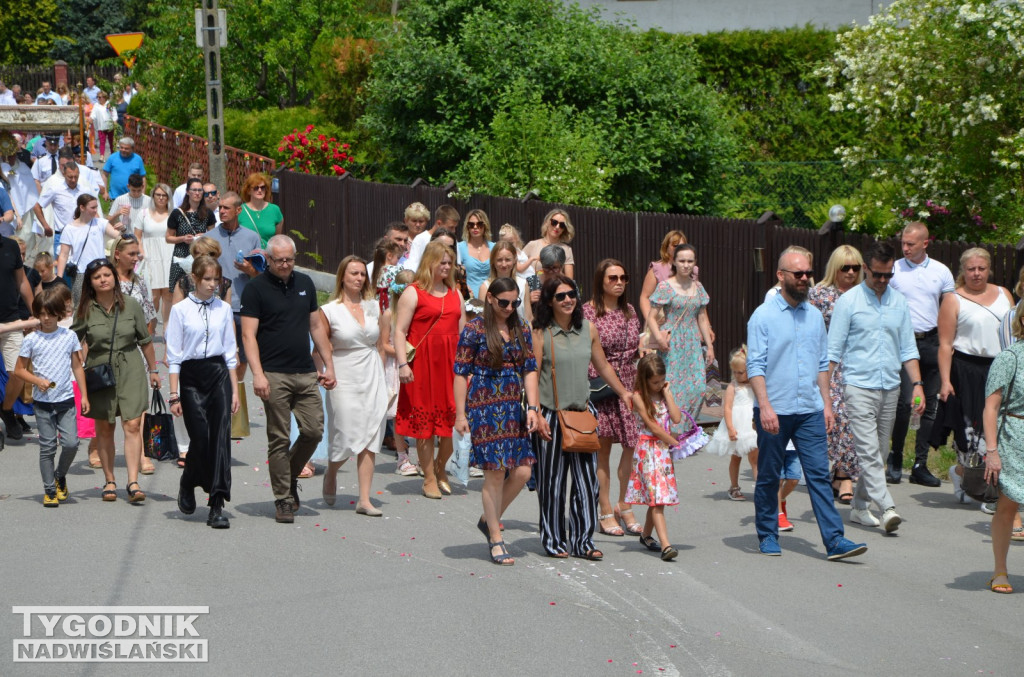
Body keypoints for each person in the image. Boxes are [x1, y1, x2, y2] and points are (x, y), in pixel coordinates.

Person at [747, 248, 868, 560]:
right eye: (797, 274)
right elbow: (755, 367)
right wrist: (765, 406)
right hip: (776, 410)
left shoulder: (814, 315)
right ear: (781, 276)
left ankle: (835, 541)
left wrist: (827, 405)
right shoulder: (763, 316)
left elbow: (821, 364)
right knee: (770, 474)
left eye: (807, 274)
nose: (804, 279)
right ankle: (767, 534)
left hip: (810, 410)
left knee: (816, 475)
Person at [531, 275, 631, 560]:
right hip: (550, 415)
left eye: (571, 294)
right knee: (553, 483)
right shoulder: (541, 333)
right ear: (549, 301)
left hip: (583, 415)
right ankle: (553, 540)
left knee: (587, 483)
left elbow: (603, 366)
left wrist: (624, 393)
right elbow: (533, 375)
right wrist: (535, 412)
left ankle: (583, 542)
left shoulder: (587, 329)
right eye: (560, 296)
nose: (567, 300)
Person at [828, 241, 925, 533]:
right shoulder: (849, 302)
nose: (882, 281)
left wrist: (918, 385)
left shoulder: (898, 302)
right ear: (866, 270)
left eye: (888, 275)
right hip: (857, 386)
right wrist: (822, 394)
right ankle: (887, 507)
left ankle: (859, 507)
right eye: (877, 275)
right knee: (869, 452)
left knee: (881, 451)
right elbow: (833, 351)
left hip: (891, 386)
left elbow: (908, 348)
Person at [240, 235, 336, 524]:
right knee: (279, 438)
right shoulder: (255, 289)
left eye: (290, 259)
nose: (285, 264)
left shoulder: (304, 283)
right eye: (279, 260)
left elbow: (317, 325)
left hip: (305, 371)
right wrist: (257, 374)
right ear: (268, 259)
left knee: (313, 431)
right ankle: (283, 496)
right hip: (273, 373)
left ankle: (288, 475)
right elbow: (248, 335)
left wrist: (328, 364)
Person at [454, 277, 540, 565]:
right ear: (490, 298)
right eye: (504, 302)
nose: (509, 307)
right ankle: (495, 536)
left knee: (523, 472)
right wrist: (460, 414)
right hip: (484, 405)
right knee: (494, 473)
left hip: (513, 405)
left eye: (514, 302)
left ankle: (487, 519)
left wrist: (532, 407)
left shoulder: (521, 327)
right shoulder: (475, 328)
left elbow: (529, 368)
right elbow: (460, 372)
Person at [72, 258, 161, 504]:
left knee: (132, 425)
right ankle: (110, 480)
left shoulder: (131, 305)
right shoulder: (85, 310)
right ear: (90, 283)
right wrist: (76, 367)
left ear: (114, 277)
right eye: (97, 277)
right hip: (100, 372)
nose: (103, 280)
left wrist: (154, 370)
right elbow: (72, 342)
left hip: (131, 366)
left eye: (107, 275)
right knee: (105, 428)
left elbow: (145, 340)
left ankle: (133, 481)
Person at [936, 248, 1014, 506]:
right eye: (971, 269)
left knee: (1002, 429)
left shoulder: (1004, 294)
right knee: (974, 435)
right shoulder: (953, 299)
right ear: (963, 271)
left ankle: (978, 483)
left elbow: (1015, 335)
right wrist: (946, 382)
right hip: (966, 370)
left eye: (981, 268)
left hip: (1001, 367)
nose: (977, 274)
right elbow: (946, 344)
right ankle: (977, 485)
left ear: (989, 269)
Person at [166, 254, 238, 528]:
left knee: (220, 437)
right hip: (191, 376)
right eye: (207, 279)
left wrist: (233, 391)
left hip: (218, 374)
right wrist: (174, 394)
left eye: (216, 280)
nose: (212, 285)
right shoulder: (181, 310)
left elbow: (230, 351)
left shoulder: (223, 309)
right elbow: (174, 355)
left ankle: (217, 503)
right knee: (201, 438)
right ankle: (188, 481)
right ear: (194, 278)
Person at [394, 241, 466, 498]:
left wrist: (467, 367)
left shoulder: (455, 293)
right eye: (442, 262)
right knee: (425, 425)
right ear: (429, 262)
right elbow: (399, 331)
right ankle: (428, 478)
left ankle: (440, 466)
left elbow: (463, 333)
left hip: (450, 365)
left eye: (449, 263)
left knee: (451, 422)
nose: (446, 267)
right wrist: (403, 364)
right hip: (422, 365)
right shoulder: (413, 292)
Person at [319, 256, 389, 516]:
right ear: (342, 277)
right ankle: (332, 469)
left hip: (371, 372)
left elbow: (381, 344)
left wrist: (383, 375)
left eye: (362, 274)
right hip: (343, 372)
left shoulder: (373, 306)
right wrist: (326, 370)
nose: (359, 278)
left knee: (371, 434)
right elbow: (321, 344)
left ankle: (364, 499)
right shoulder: (330, 310)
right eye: (353, 274)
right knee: (346, 432)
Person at [887, 222, 954, 487]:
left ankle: (920, 464)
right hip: (904, 343)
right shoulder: (894, 269)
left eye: (910, 244)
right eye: (903, 243)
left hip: (932, 341)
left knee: (930, 405)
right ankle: (895, 457)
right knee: (905, 403)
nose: (905, 248)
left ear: (925, 243)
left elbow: (950, 309)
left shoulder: (941, 271)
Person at [582, 258, 642, 536]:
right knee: (602, 450)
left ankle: (624, 503)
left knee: (631, 446)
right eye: (612, 278)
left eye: (623, 278)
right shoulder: (589, 311)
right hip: (601, 386)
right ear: (601, 281)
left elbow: (634, 349)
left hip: (629, 383)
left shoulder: (630, 310)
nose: (619, 283)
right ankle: (605, 507)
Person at [14, 289, 88, 505]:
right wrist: (38, 381)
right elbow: (19, 370)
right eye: (41, 314)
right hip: (43, 403)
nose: (46, 319)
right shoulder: (32, 339)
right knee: (47, 447)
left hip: (65, 400)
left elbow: (77, 366)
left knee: (72, 443)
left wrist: (84, 395)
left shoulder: (69, 336)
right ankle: (49, 490)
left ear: (60, 314)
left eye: (50, 314)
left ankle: (59, 476)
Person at [807, 245, 865, 505]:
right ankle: (842, 474)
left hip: (862, 363)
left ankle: (843, 474)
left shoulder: (866, 294)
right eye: (845, 267)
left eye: (856, 267)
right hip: (830, 363)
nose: (851, 272)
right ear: (835, 268)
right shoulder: (820, 293)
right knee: (839, 415)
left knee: (857, 416)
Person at [982, 307, 1024, 594]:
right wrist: (992, 450)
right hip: (1013, 437)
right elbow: (991, 406)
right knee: (1007, 508)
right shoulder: (1010, 358)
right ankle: (1000, 570)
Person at [647, 243, 715, 420]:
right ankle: (671, 431)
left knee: (699, 388)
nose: (686, 265)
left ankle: (686, 430)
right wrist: (659, 339)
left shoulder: (698, 287)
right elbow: (651, 316)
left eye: (690, 261)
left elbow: (701, 317)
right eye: (682, 260)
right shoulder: (666, 287)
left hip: (692, 343)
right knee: (673, 389)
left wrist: (709, 346)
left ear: (695, 263)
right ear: (674, 262)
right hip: (672, 344)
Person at [625, 353, 682, 561]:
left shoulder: (663, 393)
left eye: (661, 381)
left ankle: (646, 535)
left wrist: (668, 395)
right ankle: (666, 545)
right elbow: (652, 426)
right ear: (644, 379)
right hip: (648, 450)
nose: (659, 385)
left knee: (659, 497)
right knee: (657, 498)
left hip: (662, 450)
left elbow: (676, 418)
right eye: (655, 382)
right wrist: (674, 442)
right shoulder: (638, 397)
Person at [203, 190, 260, 377]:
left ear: (238, 210)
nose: (222, 211)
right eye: (220, 208)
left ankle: (237, 394)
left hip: (242, 307)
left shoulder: (252, 237)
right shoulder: (209, 237)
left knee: (242, 358)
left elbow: (260, 276)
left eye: (226, 208)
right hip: (214, 305)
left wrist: (248, 270)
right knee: (216, 356)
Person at [704, 346, 759, 500]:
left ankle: (761, 488)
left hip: (752, 425)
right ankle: (734, 486)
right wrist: (730, 428)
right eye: (734, 372)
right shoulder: (732, 387)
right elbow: (727, 408)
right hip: (737, 424)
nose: (737, 375)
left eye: (740, 372)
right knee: (736, 457)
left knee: (756, 458)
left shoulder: (756, 384)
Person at [380, 270, 416, 475]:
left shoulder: (418, 313)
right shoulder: (389, 314)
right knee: (399, 412)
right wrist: (406, 352)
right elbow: (384, 344)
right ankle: (402, 456)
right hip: (396, 367)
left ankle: (419, 456)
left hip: (416, 364)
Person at [54, 194, 120, 306]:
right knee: (81, 307)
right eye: (92, 208)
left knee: (103, 305)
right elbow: (63, 255)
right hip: (81, 273)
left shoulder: (100, 223)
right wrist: (59, 278)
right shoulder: (69, 229)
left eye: (96, 207)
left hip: (100, 271)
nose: (95, 211)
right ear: (82, 208)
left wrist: (123, 229)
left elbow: (118, 237)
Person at [136, 184, 174, 331]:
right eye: (158, 194)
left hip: (168, 256)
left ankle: (167, 328)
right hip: (150, 257)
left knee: (168, 294)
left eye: (164, 195)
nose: (161, 198)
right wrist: (141, 253)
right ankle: (149, 329)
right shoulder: (143, 214)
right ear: (153, 196)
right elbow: (137, 237)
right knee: (153, 296)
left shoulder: (173, 214)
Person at [166, 178, 216, 293]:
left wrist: (204, 236)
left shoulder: (208, 213)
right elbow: (168, 238)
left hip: (201, 257)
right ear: (188, 192)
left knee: (200, 290)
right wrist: (182, 238)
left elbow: (213, 236)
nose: (197, 193)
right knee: (179, 291)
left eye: (200, 190)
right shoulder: (177, 213)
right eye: (194, 190)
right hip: (181, 257)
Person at [111, 234, 158, 343]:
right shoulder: (106, 281)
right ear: (117, 254)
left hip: (136, 347)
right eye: (131, 254)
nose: (136, 258)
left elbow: (150, 317)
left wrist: (145, 344)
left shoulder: (139, 282)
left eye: (137, 254)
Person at [639, 230, 690, 326]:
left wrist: (706, 326)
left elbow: (699, 300)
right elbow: (645, 297)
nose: (678, 249)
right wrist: (651, 321)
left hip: (686, 325)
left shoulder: (692, 270)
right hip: (662, 324)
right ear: (666, 247)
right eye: (675, 245)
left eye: (682, 246)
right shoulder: (657, 269)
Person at [478, 241, 532, 324]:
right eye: (499, 260)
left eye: (508, 260)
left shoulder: (523, 284)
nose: (504, 264)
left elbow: (528, 317)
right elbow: (482, 319)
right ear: (493, 261)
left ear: (515, 260)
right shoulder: (485, 287)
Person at [171, 238, 232, 305]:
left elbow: (227, 311)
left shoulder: (224, 283)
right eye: (200, 254)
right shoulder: (183, 282)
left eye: (211, 254)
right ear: (194, 255)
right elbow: (176, 311)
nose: (206, 257)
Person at [523, 208, 576, 279]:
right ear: (547, 223)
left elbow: (569, 279)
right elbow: (519, 268)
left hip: (555, 288)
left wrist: (555, 271)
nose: (557, 227)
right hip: (533, 288)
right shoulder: (532, 245)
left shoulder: (566, 250)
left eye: (562, 225)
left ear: (564, 229)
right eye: (554, 222)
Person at [404, 203, 457, 272]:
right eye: (414, 221)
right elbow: (413, 265)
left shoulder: (450, 239)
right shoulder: (417, 239)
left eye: (421, 221)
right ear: (406, 221)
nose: (417, 224)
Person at [457, 209, 494, 299]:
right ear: (467, 227)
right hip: (469, 296)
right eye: (471, 224)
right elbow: (456, 274)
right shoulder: (460, 247)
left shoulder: (494, 247)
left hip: (490, 296)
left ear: (485, 226)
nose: (475, 227)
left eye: (479, 224)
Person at [240, 172, 282, 247]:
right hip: (247, 256)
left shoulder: (274, 210)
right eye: (256, 188)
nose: (260, 190)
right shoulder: (240, 210)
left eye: (262, 188)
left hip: (268, 256)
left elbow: (277, 239)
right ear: (249, 191)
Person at [106, 174, 151, 244]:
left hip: (144, 239)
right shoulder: (120, 199)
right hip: (125, 239)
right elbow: (108, 222)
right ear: (128, 186)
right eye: (133, 190)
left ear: (142, 187)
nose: (136, 193)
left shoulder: (149, 201)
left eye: (139, 190)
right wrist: (118, 213)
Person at [371, 239, 403, 312]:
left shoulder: (377, 271)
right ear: (389, 256)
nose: (398, 261)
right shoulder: (396, 270)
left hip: (380, 310)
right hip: (393, 309)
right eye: (397, 257)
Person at [89, 91, 116, 160]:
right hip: (101, 126)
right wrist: (91, 118)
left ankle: (113, 155)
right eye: (98, 97)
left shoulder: (109, 104)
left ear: (104, 97)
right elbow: (93, 113)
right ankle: (102, 156)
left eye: (100, 97)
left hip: (109, 125)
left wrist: (114, 120)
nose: (99, 98)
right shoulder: (96, 105)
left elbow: (114, 113)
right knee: (102, 141)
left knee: (111, 141)